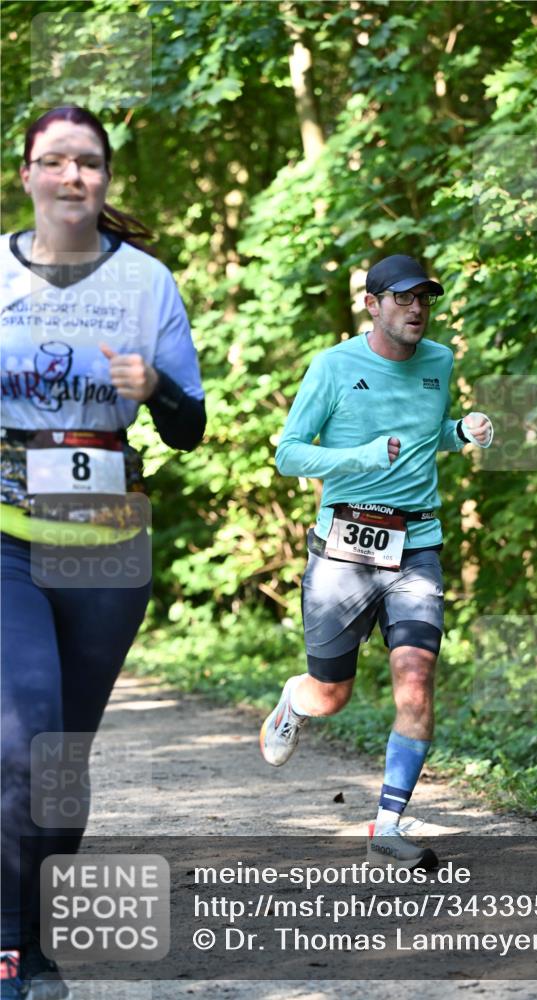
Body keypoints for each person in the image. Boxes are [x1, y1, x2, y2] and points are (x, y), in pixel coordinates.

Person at [0, 106, 205, 999]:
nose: (72, 176)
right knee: (19, 734)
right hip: (4, 535)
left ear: (106, 179)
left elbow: (191, 427)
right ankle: (7, 948)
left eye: (89, 162)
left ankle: (38, 942)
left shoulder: (149, 283)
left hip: (102, 544)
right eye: (56, 161)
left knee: (61, 759)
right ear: (28, 175)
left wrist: (152, 386)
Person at [260, 254, 492, 870]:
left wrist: (462, 433)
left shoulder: (439, 361)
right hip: (345, 546)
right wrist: (361, 457)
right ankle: (295, 699)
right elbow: (287, 455)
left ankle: (387, 824)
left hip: (416, 545)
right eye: (404, 299)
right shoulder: (334, 366)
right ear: (374, 304)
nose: (417, 310)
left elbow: (429, 433)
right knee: (331, 694)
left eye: (426, 300)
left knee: (416, 679)